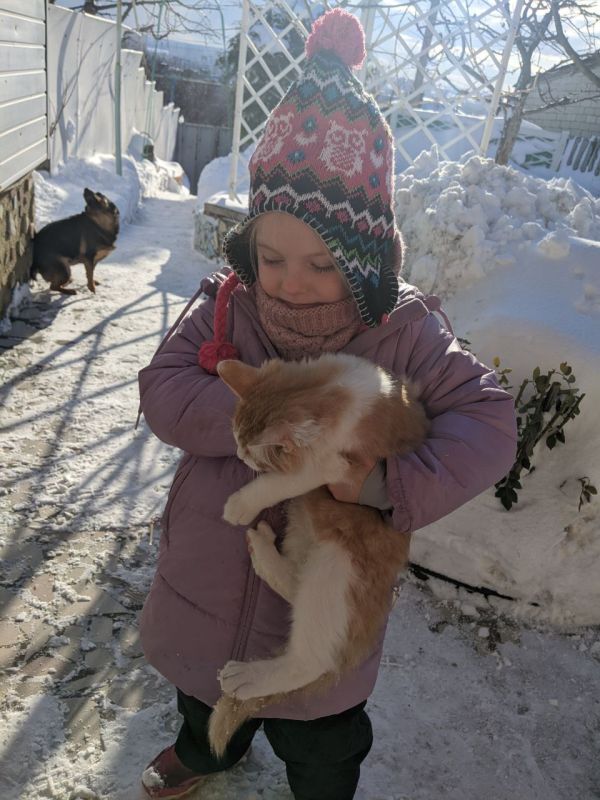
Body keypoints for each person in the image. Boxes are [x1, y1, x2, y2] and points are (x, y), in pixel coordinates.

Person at [137, 9, 517, 800]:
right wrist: (265, 424)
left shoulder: (406, 332)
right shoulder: (224, 309)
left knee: (324, 738)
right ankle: (203, 755)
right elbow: (164, 390)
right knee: (204, 703)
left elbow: (489, 423)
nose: (291, 282)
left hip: (329, 595)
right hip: (206, 589)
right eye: (271, 257)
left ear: (367, 258)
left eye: (321, 263)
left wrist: (381, 483)